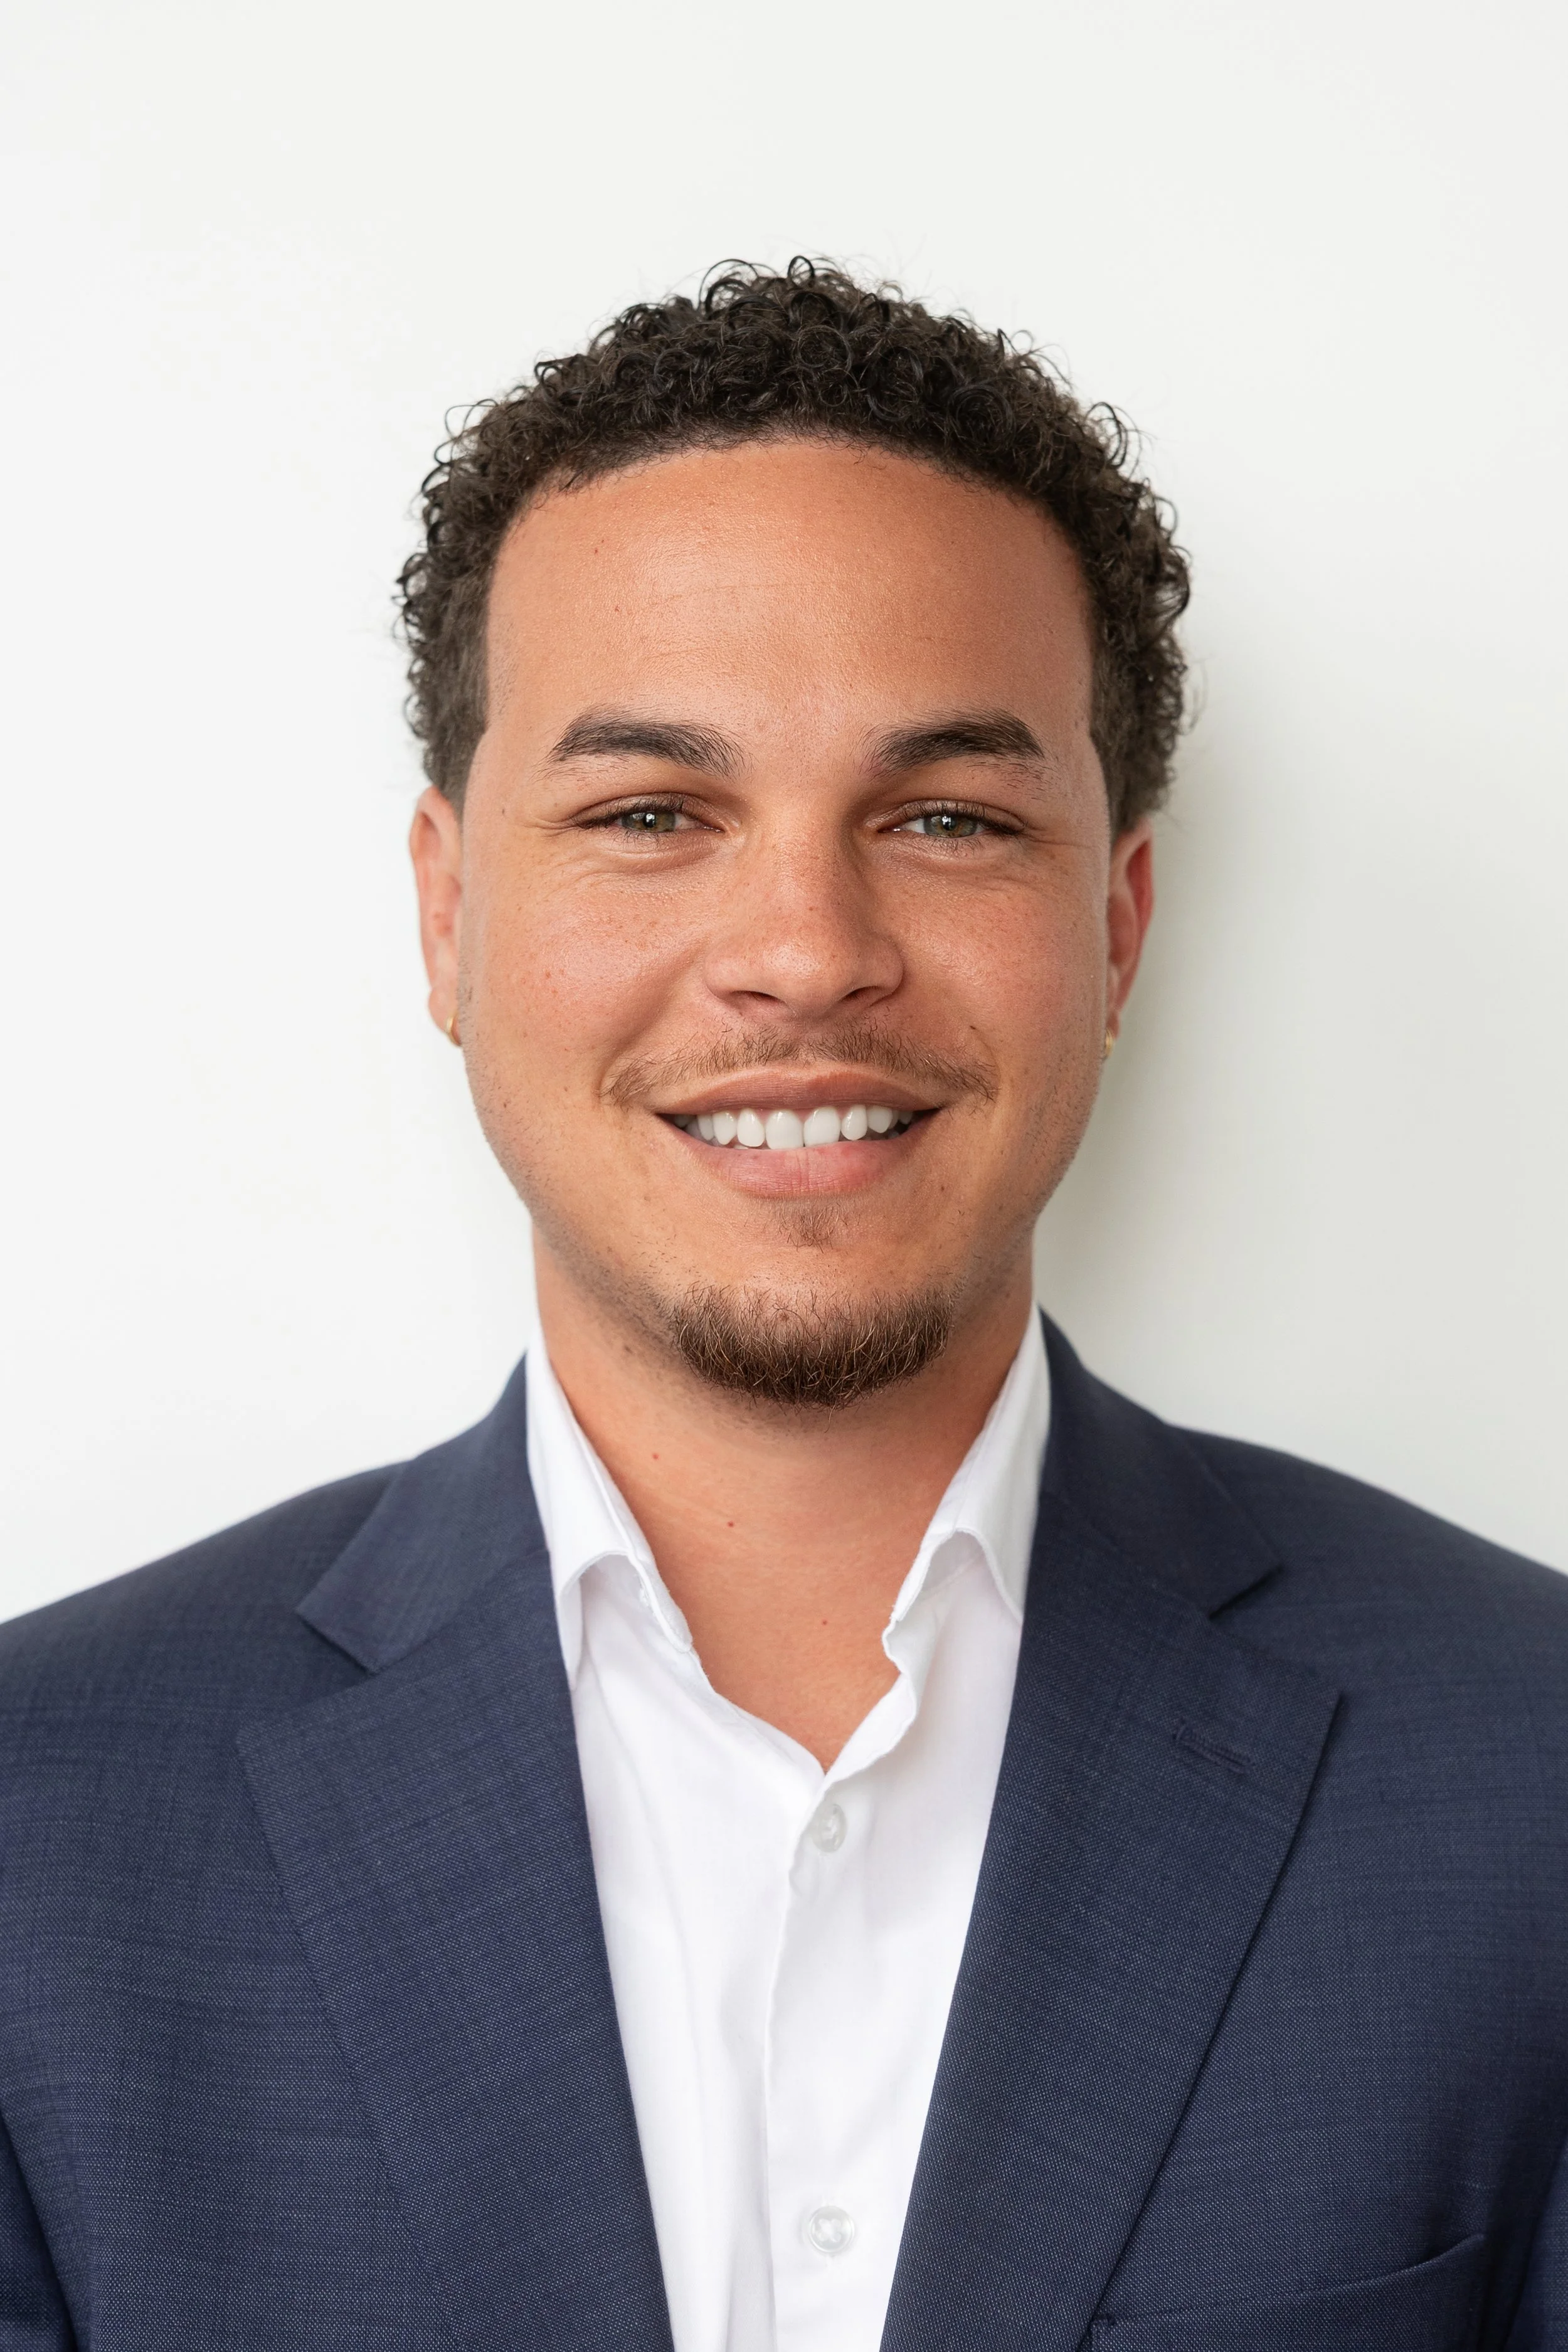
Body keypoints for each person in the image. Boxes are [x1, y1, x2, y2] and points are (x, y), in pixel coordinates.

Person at [1, 260, 1563, 2352]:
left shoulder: (1524, 1770)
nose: (805, 950)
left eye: (944, 817)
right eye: (652, 815)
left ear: (1116, 924)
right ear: (449, 914)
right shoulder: (42, 1822)